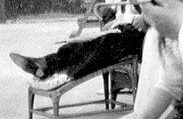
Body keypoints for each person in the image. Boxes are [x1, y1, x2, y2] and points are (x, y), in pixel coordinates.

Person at [9, 5, 147, 90]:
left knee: (104, 43)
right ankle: (43, 64)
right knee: (77, 45)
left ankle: (59, 70)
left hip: (143, 39)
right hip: (136, 32)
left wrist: (144, 17)